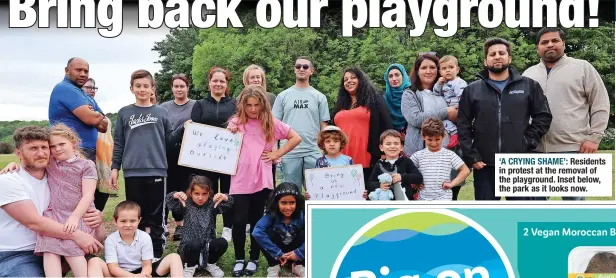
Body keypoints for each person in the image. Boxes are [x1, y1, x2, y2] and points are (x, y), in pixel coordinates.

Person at [0, 126, 104, 277]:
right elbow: (34, 222)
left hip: (55, 245)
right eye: (33, 148)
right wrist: (77, 235)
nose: (41, 153)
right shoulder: (9, 180)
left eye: (45, 147)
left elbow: (83, 197)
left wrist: (97, 216)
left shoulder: (55, 176)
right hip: (19, 253)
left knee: (93, 265)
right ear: (18, 153)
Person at [457, 38, 553, 201]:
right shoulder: (472, 90)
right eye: (492, 54)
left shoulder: (529, 86)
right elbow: (463, 124)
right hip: (484, 164)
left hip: (517, 164)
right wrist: (472, 155)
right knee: (487, 217)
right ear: (485, 60)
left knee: (520, 215)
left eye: (502, 53)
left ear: (509, 58)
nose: (497, 56)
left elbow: (543, 116)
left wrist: (527, 141)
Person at [523, 27, 610, 201]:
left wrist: (594, 138)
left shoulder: (582, 67)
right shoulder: (528, 74)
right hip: (536, 151)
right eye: (544, 42)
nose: (550, 45)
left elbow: (600, 103)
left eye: (555, 41)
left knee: (574, 207)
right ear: (537, 47)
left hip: (573, 149)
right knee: (534, 207)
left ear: (563, 43)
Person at [227, 85, 302, 276]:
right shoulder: (235, 123)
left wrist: (277, 152)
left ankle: (253, 258)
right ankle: (238, 258)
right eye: (249, 105)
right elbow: (224, 146)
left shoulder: (271, 123)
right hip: (240, 180)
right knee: (238, 220)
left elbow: (295, 138)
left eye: (257, 105)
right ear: (242, 105)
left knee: (257, 222)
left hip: (263, 180)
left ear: (264, 105)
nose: (253, 109)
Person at [111, 69, 178, 260]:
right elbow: (119, 143)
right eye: (138, 86)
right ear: (131, 88)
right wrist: (115, 168)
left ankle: (156, 253)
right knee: (135, 214)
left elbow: (170, 139)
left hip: (157, 169)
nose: (142, 89)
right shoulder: (125, 113)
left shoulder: (161, 112)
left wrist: (185, 130)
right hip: (132, 171)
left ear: (152, 89)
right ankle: (137, 251)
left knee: (157, 215)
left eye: (146, 86)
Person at [179, 67, 237, 242]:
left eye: (222, 81)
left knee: (227, 192)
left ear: (226, 84)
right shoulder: (200, 104)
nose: (218, 84)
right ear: (209, 82)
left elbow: (241, 126)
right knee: (207, 192)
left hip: (227, 159)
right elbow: (195, 130)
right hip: (206, 160)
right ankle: (208, 226)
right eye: (215, 80)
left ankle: (227, 227)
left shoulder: (234, 104)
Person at [49, 58, 110, 211]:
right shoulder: (64, 88)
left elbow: (104, 125)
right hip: (73, 151)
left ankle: (89, 229)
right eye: (78, 70)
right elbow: (92, 118)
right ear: (67, 70)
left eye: (86, 71)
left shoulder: (84, 95)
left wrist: (96, 115)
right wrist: (95, 115)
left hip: (91, 151)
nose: (83, 74)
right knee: (77, 196)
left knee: (97, 193)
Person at [401, 54, 463, 200]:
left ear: (439, 70)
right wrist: (446, 112)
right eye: (423, 68)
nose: (428, 71)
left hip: (448, 154)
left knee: (448, 197)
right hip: (419, 154)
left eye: (432, 67)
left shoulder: (448, 89)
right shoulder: (410, 94)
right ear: (417, 71)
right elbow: (415, 118)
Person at [273, 56, 330, 191]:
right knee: (290, 193)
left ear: (312, 71)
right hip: (289, 152)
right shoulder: (282, 96)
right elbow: (275, 126)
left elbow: (324, 126)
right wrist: (276, 151)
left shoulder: (319, 97)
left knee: (317, 192)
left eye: (305, 66)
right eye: (298, 66)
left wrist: (323, 150)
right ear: (294, 70)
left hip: (313, 151)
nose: (301, 69)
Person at [86, 201, 184, 278]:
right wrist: (132, 277)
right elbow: (113, 268)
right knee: (94, 261)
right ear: (115, 221)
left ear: (139, 220)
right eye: (123, 221)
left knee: (174, 257)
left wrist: (143, 276)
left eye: (132, 221)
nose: (128, 225)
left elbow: (147, 265)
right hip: (120, 274)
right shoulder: (111, 240)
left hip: (142, 272)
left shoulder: (145, 237)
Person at [331, 67, 393, 185]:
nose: (349, 81)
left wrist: (386, 151)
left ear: (361, 79)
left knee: (368, 195)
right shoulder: (341, 104)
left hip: (368, 156)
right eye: (345, 79)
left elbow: (386, 124)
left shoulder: (375, 99)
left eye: (353, 77)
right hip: (342, 158)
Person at [165, 175, 233, 278]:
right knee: (195, 243)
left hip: (207, 246)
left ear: (209, 193)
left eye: (204, 194)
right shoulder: (185, 204)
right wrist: (175, 195)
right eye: (196, 194)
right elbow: (169, 202)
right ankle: (190, 266)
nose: (200, 197)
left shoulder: (211, 205)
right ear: (190, 193)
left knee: (222, 242)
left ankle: (210, 263)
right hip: (189, 247)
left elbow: (228, 204)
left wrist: (225, 197)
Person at [160, 73, 197, 241]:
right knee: (168, 189)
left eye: (182, 86)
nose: (179, 89)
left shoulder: (196, 106)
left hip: (190, 155)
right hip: (168, 155)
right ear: (172, 88)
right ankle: (162, 225)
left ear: (187, 87)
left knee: (185, 189)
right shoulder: (163, 107)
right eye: (176, 86)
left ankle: (182, 226)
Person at [252, 182, 305, 277]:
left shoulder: (301, 215)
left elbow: (317, 232)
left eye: (292, 203)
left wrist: (299, 252)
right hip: (277, 251)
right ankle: (274, 265)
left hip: (296, 250)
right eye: (283, 203)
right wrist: (277, 253)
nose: (288, 207)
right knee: (263, 233)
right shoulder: (271, 216)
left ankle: (298, 264)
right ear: (277, 203)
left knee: (307, 232)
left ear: (297, 202)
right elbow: (257, 232)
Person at [409, 119, 470, 201]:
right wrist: (415, 183)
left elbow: (465, 170)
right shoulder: (417, 156)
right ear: (423, 136)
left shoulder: (449, 155)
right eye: (429, 140)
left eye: (437, 139)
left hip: (444, 200)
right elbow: (407, 171)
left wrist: (452, 184)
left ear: (443, 136)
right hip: (423, 201)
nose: (433, 143)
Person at [243, 64, 281, 188]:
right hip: (249, 149)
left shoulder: (271, 98)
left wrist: (275, 151)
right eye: (252, 77)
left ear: (262, 79)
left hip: (268, 148)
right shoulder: (241, 98)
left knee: (269, 184)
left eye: (258, 77)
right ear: (246, 80)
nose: (256, 80)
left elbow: (275, 126)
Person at [367, 130, 423, 201]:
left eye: (396, 143)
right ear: (381, 147)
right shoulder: (379, 164)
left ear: (401, 147)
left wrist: (401, 177)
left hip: (405, 203)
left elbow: (419, 178)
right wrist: (380, 185)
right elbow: (370, 183)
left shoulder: (406, 161)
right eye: (388, 144)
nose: (392, 146)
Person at [433, 55, 468, 150]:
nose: (447, 70)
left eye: (451, 67)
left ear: (457, 70)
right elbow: (436, 94)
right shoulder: (443, 83)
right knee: (442, 122)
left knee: (464, 128)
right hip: (448, 112)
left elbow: (463, 99)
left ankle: (459, 138)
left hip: (458, 111)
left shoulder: (459, 83)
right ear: (440, 72)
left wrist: (456, 109)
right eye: (444, 68)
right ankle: (454, 134)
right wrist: (438, 84)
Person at [384, 63, 412, 135]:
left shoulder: (412, 94)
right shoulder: (384, 99)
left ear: (403, 76)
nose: (394, 79)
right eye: (390, 76)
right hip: (391, 140)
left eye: (397, 75)